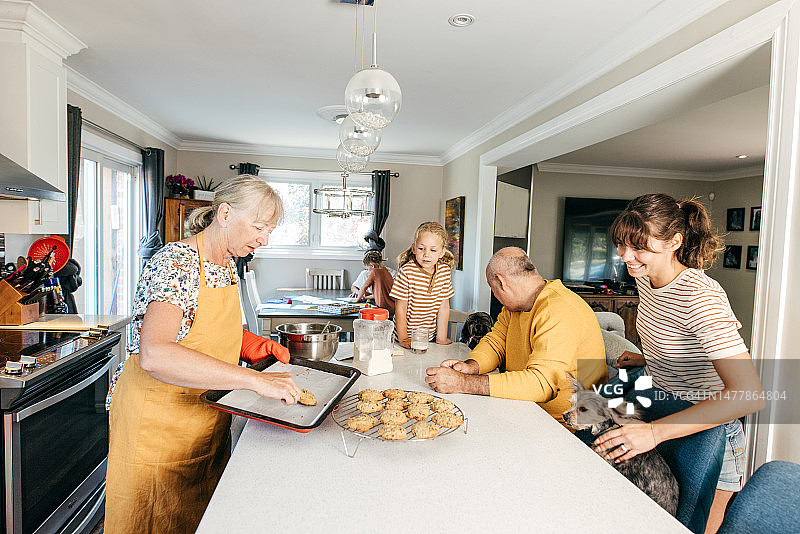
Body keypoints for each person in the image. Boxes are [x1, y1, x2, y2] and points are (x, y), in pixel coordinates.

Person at [105, 175, 304, 534]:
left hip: (204, 418)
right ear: (225, 214)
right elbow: (156, 354)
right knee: (152, 520)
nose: (265, 240)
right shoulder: (176, 262)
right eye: (259, 227)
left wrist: (248, 344)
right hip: (158, 424)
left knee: (199, 518)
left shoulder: (225, 262)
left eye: (269, 230)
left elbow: (198, 330)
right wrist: (254, 379)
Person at [592, 193, 764, 534]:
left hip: (706, 432)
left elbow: (748, 394)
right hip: (662, 408)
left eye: (638, 247)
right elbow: (680, 338)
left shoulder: (701, 297)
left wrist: (653, 433)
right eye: (621, 244)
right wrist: (649, 357)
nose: (625, 256)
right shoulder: (645, 277)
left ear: (674, 242)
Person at [425, 247, 608, 422]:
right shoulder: (516, 306)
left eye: (492, 287)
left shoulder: (558, 309)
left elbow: (540, 384)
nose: (495, 295)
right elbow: (496, 343)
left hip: (567, 425)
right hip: (528, 408)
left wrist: (464, 383)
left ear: (501, 282)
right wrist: (470, 366)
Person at [390, 221, 455, 347]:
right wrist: (403, 339)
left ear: (442, 252)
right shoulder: (406, 272)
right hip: (403, 339)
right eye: (421, 248)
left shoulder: (444, 272)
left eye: (433, 250)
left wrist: (441, 338)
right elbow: (400, 308)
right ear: (414, 248)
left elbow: (443, 307)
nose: (426, 254)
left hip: (429, 338)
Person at [355, 250, 396, 317]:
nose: (368, 271)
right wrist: (365, 298)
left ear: (372, 265)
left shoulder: (374, 272)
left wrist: (357, 300)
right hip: (392, 307)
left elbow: (364, 288)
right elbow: (381, 293)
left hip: (382, 308)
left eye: (368, 269)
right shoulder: (387, 271)